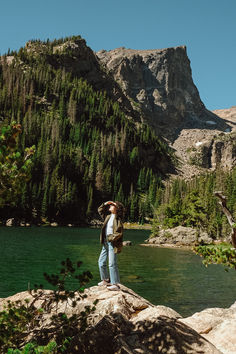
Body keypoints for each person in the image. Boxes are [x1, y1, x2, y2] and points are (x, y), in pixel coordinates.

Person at [97, 200, 125, 291]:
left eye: (113, 205)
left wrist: (110, 238)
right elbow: (100, 210)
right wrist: (105, 203)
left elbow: (119, 233)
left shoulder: (118, 219)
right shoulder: (108, 217)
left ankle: (115, 284)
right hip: (105, 243)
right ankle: (105, 280)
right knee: (101, 262)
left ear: (117, 208)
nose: (110, 206)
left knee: (112, 264)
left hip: (112, 243)